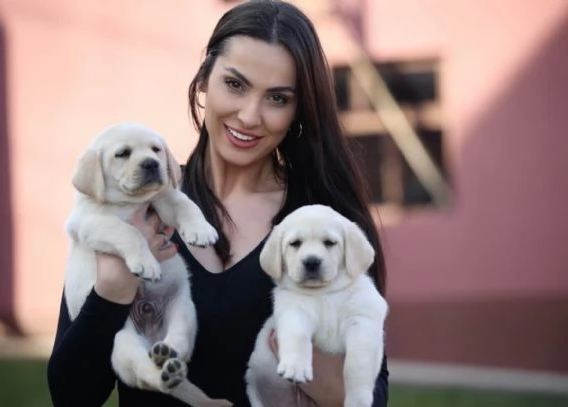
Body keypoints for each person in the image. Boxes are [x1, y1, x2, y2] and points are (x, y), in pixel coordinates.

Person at [47, 0, 389, 406]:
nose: (249, 115)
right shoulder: (136, 205)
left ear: (298, 110)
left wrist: (327, 381)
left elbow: (372, 393)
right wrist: (111, 292)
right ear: (205, 78)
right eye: (236, 85)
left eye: (277, 99)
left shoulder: (323, 227)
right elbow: (72, 396)